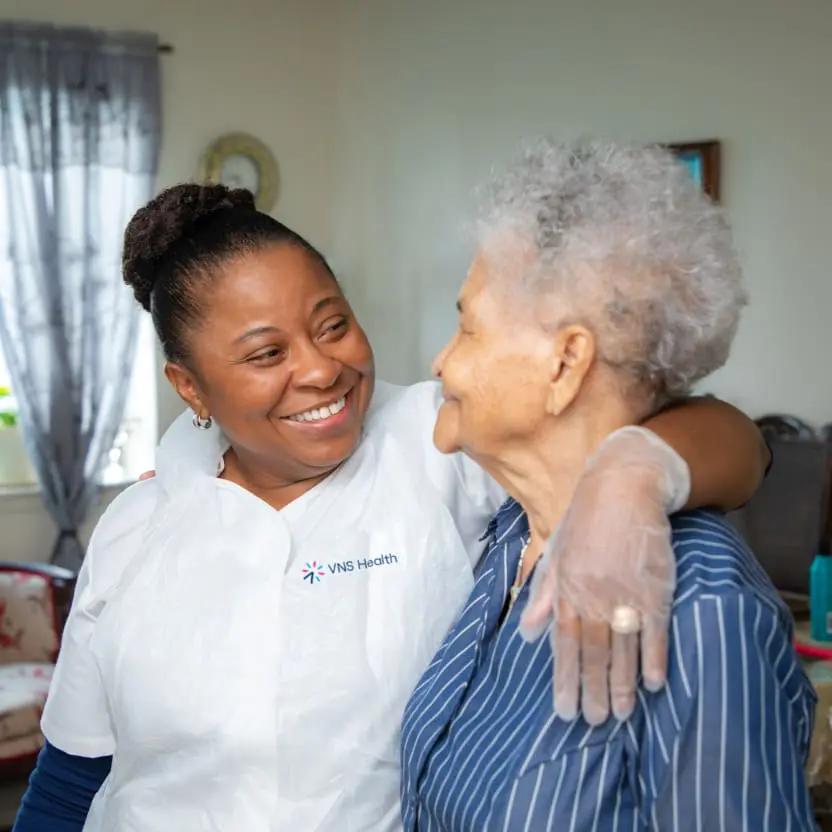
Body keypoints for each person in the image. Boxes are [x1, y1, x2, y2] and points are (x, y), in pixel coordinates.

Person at [14, 182, 767, 831]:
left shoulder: (435, 439)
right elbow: (73, 775)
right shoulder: (136, 527)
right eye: (266, 354)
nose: (320, 369)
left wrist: (634, 475)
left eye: (332, 324)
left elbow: (738, 443)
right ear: (190, 388)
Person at [400, 138, 816, 831]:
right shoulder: (508, 532)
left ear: (566, 364)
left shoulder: (705, 615)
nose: (441, 360)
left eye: (466, 327)